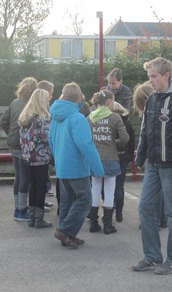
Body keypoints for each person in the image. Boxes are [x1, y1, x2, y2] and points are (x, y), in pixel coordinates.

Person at [133, 57, 172, 275]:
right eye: (149, 76)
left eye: (154, 76)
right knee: (145, 208)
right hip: (153, 164)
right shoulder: (151, 100)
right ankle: (151, 256)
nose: (150, 81)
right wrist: (140, 158)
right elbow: (144, 131)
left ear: (166, 75)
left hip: (171, 167)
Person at [49, 82, 104, 248]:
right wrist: (97, 167)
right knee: (85, 200)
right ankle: (65, 231)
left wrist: (57, 159)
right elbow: (86, 145)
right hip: (76, 167)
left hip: (62, 165)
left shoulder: (55, 117)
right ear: (79, 98)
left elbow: (51, 141)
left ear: (63, 96)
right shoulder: (78, 118)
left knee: (67, 201)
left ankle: (67, 234)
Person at [87, 90, 129, 234]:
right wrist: (114, 142)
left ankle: (93, 222)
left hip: (94, 158)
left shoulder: (90, 118)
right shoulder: (115, 117)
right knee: (110, 190)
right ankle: (107, 224)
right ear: (110, 101)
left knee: (95, 188)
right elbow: (125, 138)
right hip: (111, 157)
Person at [1, 76, 38, 221]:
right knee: (25, 177)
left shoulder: (15, 102)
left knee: (18, 176)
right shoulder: (33, 105)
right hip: (25, 144)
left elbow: (4, 120)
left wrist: (10, 133)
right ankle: (21, 210)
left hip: (13, 143)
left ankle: (18, 207)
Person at [132, 82, 168, 229]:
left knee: (153, 191)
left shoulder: (152, 114)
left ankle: (153, 220)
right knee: (161, 188)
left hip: (154, 156)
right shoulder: (163, 111)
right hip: (164, 156)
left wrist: (139, 159)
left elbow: (145, 138)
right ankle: (163, 218)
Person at [18, 89, 53, 229]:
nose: (49, 101)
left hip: (28, 156)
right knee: (41, 187)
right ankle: (39, 219)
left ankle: (32, 217)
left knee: (33, 186)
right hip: (41, 155)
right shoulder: (43, 118)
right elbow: (47, 137)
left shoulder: (25, 117)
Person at [112, 101, 135, 223]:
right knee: (119, 185)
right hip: (123, 157)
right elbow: (131, 142)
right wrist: (130, 157)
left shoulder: (108, 121)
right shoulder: (127, 123)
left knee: (108, 186)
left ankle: (109, 210)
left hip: (109, 157)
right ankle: (119, 214)